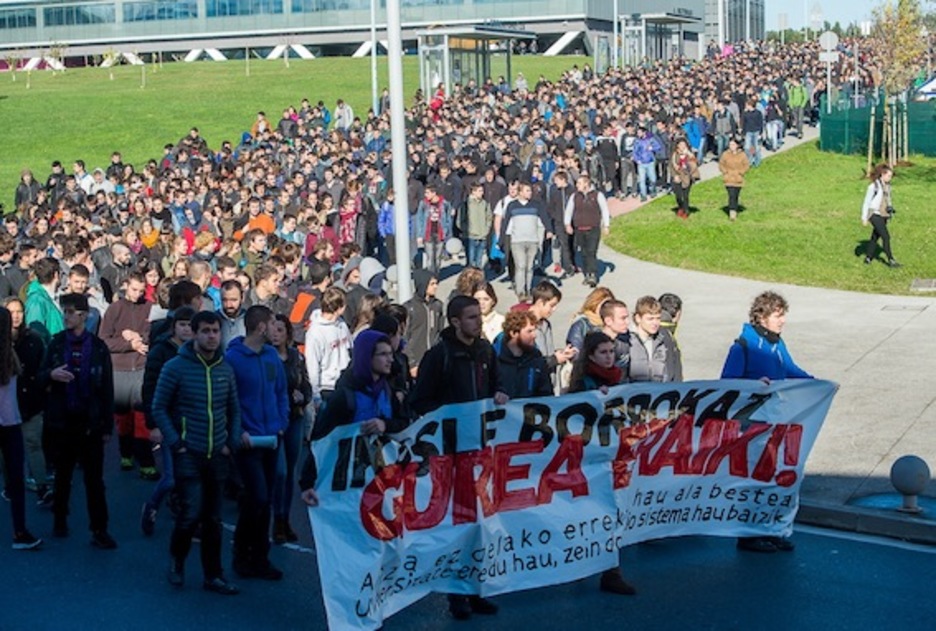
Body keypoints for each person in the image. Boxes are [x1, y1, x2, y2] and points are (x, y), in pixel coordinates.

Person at [409, 295, 506, 620]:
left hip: (480, 451)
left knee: (480, 525)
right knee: (458, 525)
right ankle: (457, 595)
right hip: (451, 455)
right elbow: (420, 401)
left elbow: (495, 385)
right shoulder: (439, 357)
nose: (478, 322)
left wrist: (500, 395)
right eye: (471, 317)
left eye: (479, 316)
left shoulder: (485, 351)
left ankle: (477, 589)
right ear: (454, 321)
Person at [151, 310, 242, 595]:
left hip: (218, 454)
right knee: (191, 513)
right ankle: (177, 561)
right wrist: (176, 442)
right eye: (205, 331)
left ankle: (213, 575)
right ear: (193, 333)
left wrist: (232, 442)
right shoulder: (175, 367)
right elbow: (158, 407)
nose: (211, 336)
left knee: (213, 519)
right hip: (188, 452)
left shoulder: (225, 369)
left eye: (215, 331)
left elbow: (234, 410)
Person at [721, 290, 812, 554]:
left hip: (775, 421)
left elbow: (791, 371)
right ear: (761, 316)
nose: (782, 321)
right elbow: (726, 381)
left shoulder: (776, 344)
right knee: (755, 477)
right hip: (752, 425)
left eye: (783, 316)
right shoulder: (743, 346)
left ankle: (769, 529)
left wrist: (817, 383)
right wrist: (752, 385)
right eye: (777, 315)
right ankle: (748, 534)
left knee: (774, 476)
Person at [40, 293, 117, 549]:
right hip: (63, 420)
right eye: (65, 312)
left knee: (94, 480)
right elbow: (39, 375)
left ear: (84, 315)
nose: (66, 317)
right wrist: (51, 374)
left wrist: (107, 425)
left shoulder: (97, 347)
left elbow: (106, 387)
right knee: (63, 475)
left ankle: (100, 528)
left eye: (71, 312)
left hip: (90, 421)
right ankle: (59, 519)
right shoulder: (56, 343)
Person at [567, 331, 636, 595]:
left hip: (613, 457)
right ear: (591, 356)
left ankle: (611, 571)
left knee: (612, 510)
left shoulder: (619, 379)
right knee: (591, 512)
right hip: (589, 459)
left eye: (611, 352)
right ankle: (585, 563)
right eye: (603, 353)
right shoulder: (583, 384)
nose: (609, 358)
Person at [225, 305, 290, 580]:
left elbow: (281, 392)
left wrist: (281, 423)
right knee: (258, 497)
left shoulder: (272, 357)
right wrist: (237, 431)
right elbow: (228, 400)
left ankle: (260, 557)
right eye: (273, 322)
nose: (276, 327)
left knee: (264, 500)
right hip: (248, 441)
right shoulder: (233, 359)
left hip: (271, 437)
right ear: (261, 327)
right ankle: (241, 553)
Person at [140, 306, 196, 536]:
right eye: (182, 324)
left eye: (190, 325)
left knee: (191, 476)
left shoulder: (198, 351)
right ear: (174, 326)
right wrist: (153, 423)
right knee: (171, 477)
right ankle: (152, 505)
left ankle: (188, 521)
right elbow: (150, 388)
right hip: (167, 420)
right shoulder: (161, 351)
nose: (186, 329)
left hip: (192, 421)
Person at [99, 272, 156, 477]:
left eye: (141, 291)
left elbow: (154, 333)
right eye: (134, 290)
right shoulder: (115, 309)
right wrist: (128, 344)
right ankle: (126, 453)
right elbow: (104, 340)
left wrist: (141, 338)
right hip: (120, 369)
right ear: (125, 286)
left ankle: (146, 461)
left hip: (141, 368)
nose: (137, 294)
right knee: (123, 418)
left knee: (141, 417)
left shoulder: (149, 307)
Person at [3, 297, 52, 507]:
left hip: (30, 402)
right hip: (5, 407)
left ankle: (42, 487)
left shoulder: (33, 339)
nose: (16, 316)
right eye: (11, 312)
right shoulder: (1, 342)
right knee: (5, 452)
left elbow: (42, 367)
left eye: (19, 312)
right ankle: (10, 486)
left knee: (33, 444)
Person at [0, 306, 42, 550]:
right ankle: (20, 531)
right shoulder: (11, 357)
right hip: (11, 421)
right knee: (16, 481)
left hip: (9, 420)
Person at [269, 314, 312, 545]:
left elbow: (305, 385)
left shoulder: (296, 357)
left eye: (280, 329)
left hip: (295, 417)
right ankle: (277, 519)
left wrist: (302, 397)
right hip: (275, 420)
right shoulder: (265, 357)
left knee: (290, 473)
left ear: (287, 333)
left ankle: (285, 519)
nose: (276, 333)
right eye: (272, 329)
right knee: (280, 471)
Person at [563, 174, 610, 288]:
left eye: (579, 183)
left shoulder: (597, 195)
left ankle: (593, 274)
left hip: (593, 228)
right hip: (579, 229)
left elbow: (604, 210)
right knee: (583, 253)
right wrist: (567, 224)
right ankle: (587, 274)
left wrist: (606, 225)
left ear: (586, 184)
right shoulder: (574, 196)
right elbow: (569, 210)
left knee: (591, 251)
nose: (577, 185)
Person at [495, 311, 552, 399]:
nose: (534, 335)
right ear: (513, 333)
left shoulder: (536, 359)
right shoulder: (494, 357)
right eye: (529, 331)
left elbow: (546, 393)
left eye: (534, 330)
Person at [628, 296, 682, 383]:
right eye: (650, 319)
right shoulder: (627, 341)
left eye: (658, 318)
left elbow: (671, 372)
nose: (655, 323)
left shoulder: (663, 339)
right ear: (638, 318)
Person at [403, 269, 444, 378]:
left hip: (434, 360)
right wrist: (411, 363)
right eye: (432, 284)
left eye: (436, 283)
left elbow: (440, 333)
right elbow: (404, 337)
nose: (435, 287)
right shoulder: (409, 308)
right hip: (416, 360)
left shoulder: (438, 305)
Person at [861, 164, 901, 268]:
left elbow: (888, 199)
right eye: (888, 176)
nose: (890, 178)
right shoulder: (873, 186)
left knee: (875, 237)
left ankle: (868, 258)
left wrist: (890, 209)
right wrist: (864, 217)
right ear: (882, 174)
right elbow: (866, 202)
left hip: (884, 215)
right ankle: (891, 260)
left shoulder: (888, 186)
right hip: (874, 214)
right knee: (886, 237)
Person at [718, 137, 751, 221]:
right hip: (728, 179)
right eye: (730, 144)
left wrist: (741, 172)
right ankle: (732, 213)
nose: (731, 146)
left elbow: (746, 165)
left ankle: (735, 208)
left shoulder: (742, 155)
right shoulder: (725, 154)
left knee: (736, 196)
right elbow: (721, 164)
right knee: (731, 195)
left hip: (738, 179)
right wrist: (725, 172)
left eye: (733, 144)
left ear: (737, 145)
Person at [670, 138, 700, 219]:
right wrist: (675, 175)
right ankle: (680, 207)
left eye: (684, 145)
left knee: (685, 195)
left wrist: (690, 154)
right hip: (678, 176)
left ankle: (686, 211)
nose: (682, 146)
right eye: (680, 145)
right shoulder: (674, 154)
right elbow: (671, 166)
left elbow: (696, 163)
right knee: (678, 195)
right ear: (677, 146)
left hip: (687, 176)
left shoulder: (689, 154)